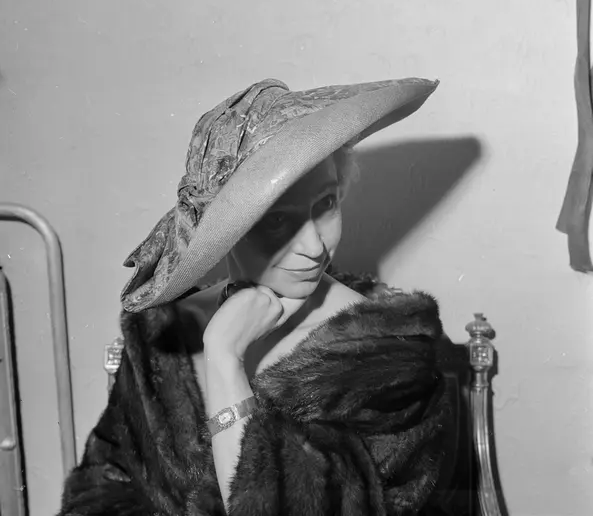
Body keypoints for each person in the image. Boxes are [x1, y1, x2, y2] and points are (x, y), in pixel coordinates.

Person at [57, 77, 455, 516]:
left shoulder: (390, 356)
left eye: (325, 204)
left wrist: (225, 359)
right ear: (225, 232)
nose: (314, 247)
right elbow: (105, 485)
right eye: (277, 219)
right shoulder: (163, 332)